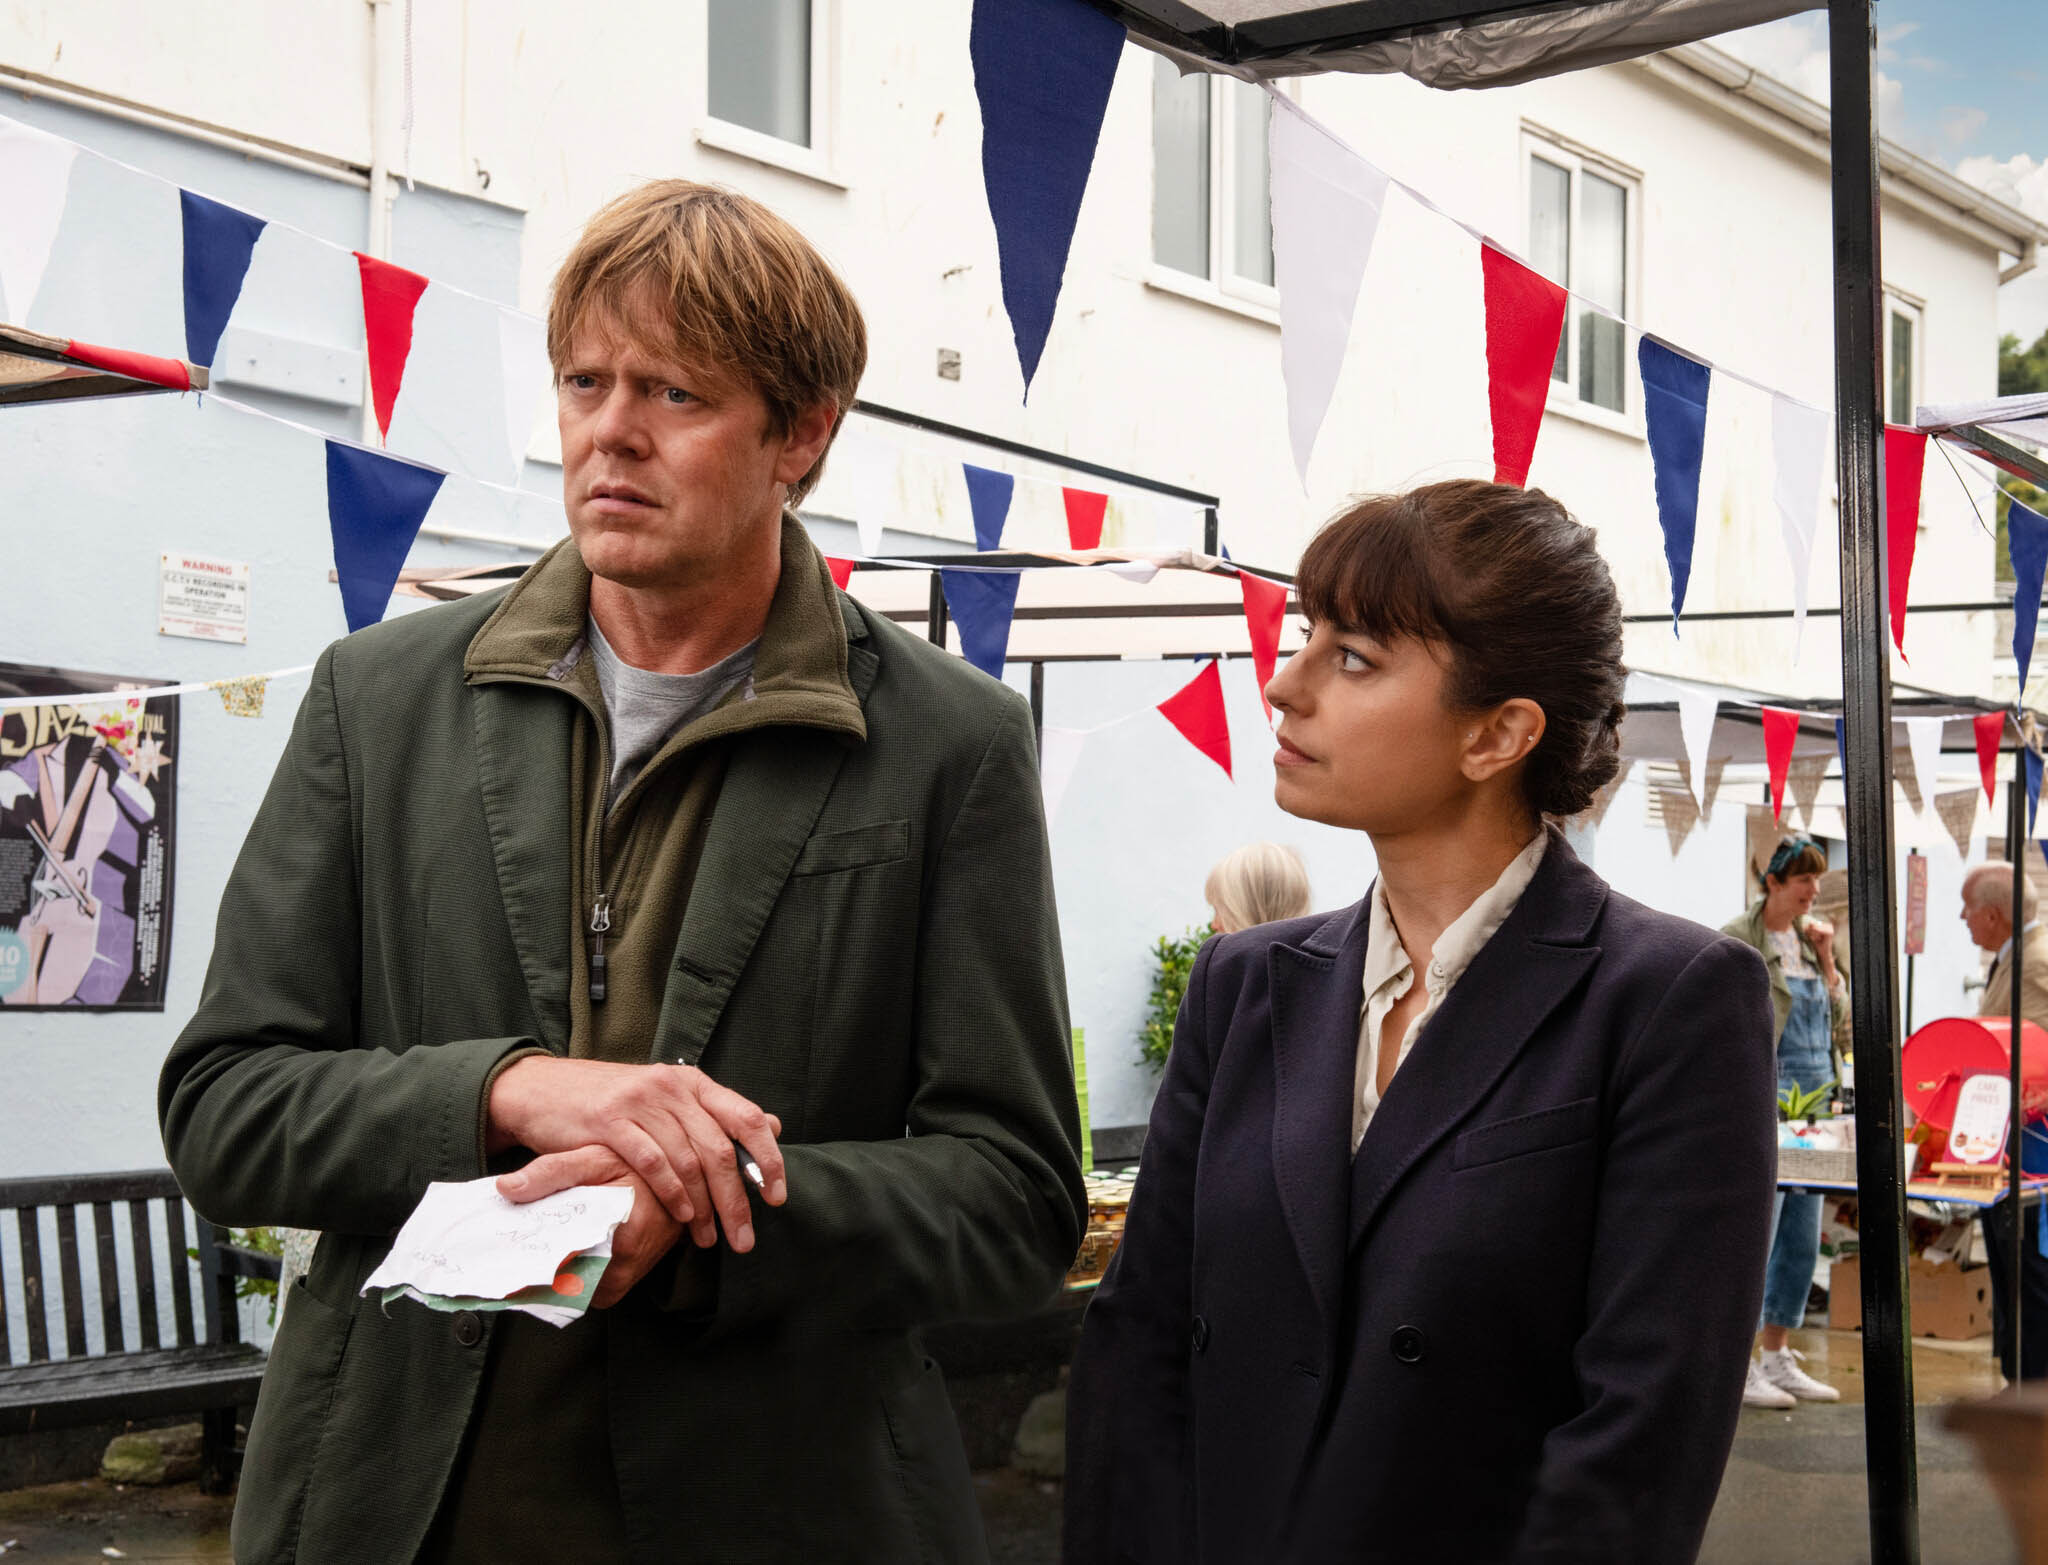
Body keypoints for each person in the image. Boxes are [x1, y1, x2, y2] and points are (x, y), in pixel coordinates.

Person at [159, 181, 1085, 1565]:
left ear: (801, 435)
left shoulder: (948, 744)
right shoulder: (382, 697)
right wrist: (503, 1090)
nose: (610, 433)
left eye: (676, 393)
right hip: (404, 1505)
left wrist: (714, 1213)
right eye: (585, 381)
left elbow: (1014, 1196)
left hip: (782, 1507)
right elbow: (224, 1105)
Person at [1064, 481, 1777, 1565]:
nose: (1281, 684)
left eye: (1351, 657)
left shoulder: (1665, 1001)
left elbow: (1637, 1439)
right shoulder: (1244, 982)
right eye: (1305, 635)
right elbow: (1142, 1346)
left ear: (1497, 732)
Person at [1721, 837, 1851, 1409]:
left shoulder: (1811, 941)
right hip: (1767, 1094)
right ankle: (1739, 1363)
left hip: (1818, 1096)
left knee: (1802, 1232)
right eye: (1804, 880)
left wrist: (1828, 960)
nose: (1814, 892)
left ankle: (1777, 1355)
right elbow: (1723, 1023)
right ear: (1774, 882)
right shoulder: (1739, 937)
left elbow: (1839, 1025)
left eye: (1816, 881)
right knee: (1759, 1230)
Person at [1961, 860, 2048, 1381]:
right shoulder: (2012, 957)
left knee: (2030, 1271)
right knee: (2010, 1266)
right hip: (2004, 1135)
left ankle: (2035, 1389)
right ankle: (2020, 1380)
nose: (1962, 918)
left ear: (1993, 915)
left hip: (2034, 1143)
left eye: (1968, 908)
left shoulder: (2035, 963)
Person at [1203, 840, 1311, 934]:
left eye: (1219, 910)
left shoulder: (1227, 956)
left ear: (1246, 909)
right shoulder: (1318, 953)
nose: (1214, 925)